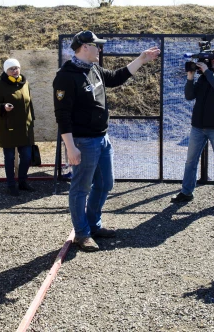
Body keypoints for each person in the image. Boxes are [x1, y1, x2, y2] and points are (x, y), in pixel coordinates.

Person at [53, 30, 160, 252]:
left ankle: (93, 225)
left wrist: (141, 59)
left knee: (105, 184)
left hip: (102, 138)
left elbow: (115, 77)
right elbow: (62, 115)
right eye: (96, 45)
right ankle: (82, 234)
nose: (100, 49)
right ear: (84, 47)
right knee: (80, 188)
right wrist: (70, 147)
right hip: (83, 141)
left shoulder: (93, 68)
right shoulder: (66, 75)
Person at [170, 46, 214, 210]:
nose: (213, 60)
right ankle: (186, 192)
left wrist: (208, 72)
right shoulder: (204, 76)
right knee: (190, 161)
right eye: (212, 57)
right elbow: (189, 96)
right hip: (198, 126)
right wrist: (190, 78)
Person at [0, 58, 35, 196]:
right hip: (8, 127)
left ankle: (22, 181)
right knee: (9, 158)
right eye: (11, 69)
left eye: (17, 68)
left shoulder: (24, 82)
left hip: (25, 127)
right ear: (6, 71)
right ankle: (11, 184)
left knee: (27, 156)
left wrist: (32, 120)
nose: (15, 71)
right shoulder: (0, 84)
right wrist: (3, 107)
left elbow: (29, 103)